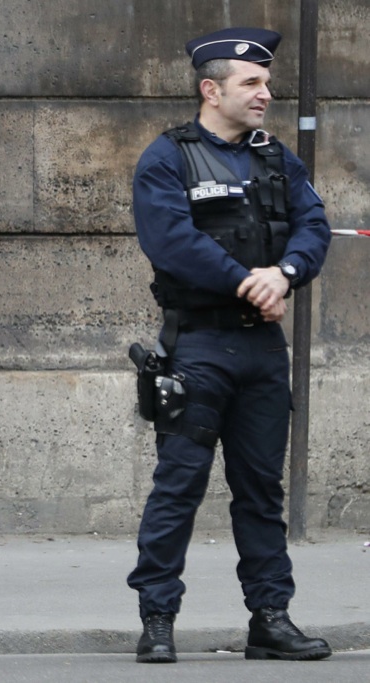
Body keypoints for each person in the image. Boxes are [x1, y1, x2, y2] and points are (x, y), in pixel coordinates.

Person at [127, 27, 332, 664]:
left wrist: (286, 273)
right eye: (252, 83)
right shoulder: (168, 158)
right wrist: (247, 280)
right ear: (210, 90)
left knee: (261, 493)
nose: (265, 93)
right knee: (178, 487)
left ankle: (270, 620)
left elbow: (314, 224)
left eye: (267, 83)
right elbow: (170, 242)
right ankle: (157, 619)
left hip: (262, 351)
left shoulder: (278, 158)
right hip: (198, 348)